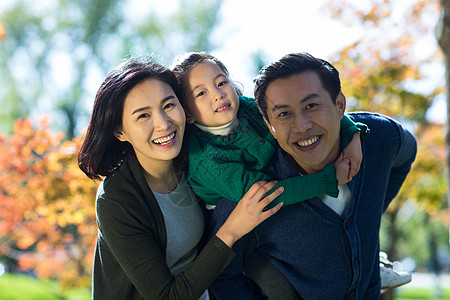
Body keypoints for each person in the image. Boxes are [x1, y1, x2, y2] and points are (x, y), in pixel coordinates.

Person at [208, 52, 417, 299]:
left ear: (340, 105)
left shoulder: (379, 138)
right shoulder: (253, 194)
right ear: (269, 124)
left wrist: (371, 216)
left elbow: (407, 152)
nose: (302, 125)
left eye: (311, 106)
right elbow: (219, 275)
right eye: (284, 114)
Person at [77, 57, 283, 300]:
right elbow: (167, 297)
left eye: (168, 106)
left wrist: (338, 139)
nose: (163, 124)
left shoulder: (195, 155)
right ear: (120, 131)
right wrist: (232, 229)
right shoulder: (116, 200)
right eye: (143, 116)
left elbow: (248, 119)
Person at [170, 52, 367, 210]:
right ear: (187, 114)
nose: (217, 94)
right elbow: (266, 195)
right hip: (238, 202)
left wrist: (352, 133)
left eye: (221, 83)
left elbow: (319, 111)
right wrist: (329, 180)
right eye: (201, 93)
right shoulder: (206, 161)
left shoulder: (248, 108)